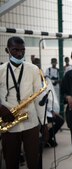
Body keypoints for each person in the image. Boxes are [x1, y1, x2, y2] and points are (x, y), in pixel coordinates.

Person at [0, 36, 47, 169]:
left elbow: (39, 98)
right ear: (7, 50)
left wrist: (44, 123)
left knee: (34, 161)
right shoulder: (1, 70)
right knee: (11, 161)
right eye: (15, 50)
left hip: (30, 122)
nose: (19, 54)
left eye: (22, 50)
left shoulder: (33, 69)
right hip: (8, 122)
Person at [33, 58, 64, 148]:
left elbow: (48, 97)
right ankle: (46, 139)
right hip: (36, 111)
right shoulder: (31, 80)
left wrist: (52, 110)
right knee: (41, 125)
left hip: (47, 110)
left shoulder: (45, 81)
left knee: (60, 120)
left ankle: (48, 138)